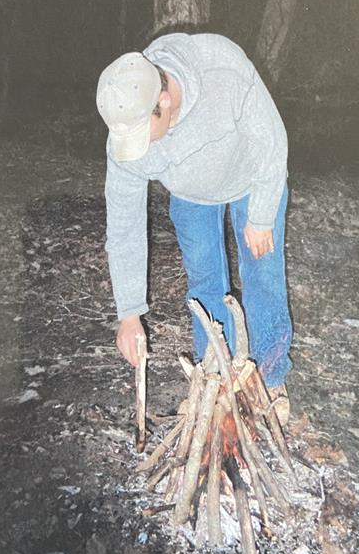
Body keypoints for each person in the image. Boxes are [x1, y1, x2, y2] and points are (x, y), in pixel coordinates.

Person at [96, 32, 292, 424]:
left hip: (251, 179)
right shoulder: (127, 120)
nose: (137, 148)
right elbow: (123, 225)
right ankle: (215, 379)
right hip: (190, 194)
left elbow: (271, 142)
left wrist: (261, 216)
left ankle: (270, 379)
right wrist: (129, 312)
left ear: (163, 100)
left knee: (262, 272)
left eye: (142, 135)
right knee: (205, 282)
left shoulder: (220, 67)